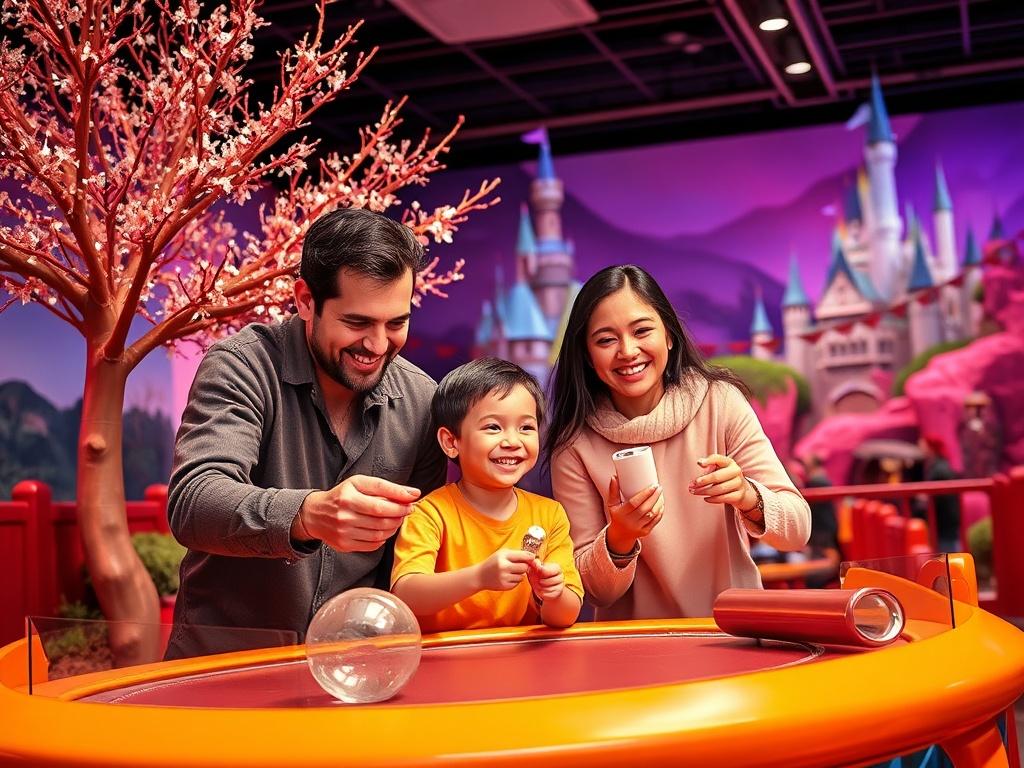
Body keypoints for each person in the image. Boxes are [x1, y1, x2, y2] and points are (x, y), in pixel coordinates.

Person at [166, 208, 447, 657]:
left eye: (396, 323)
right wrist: (309, 514)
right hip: (228, 665)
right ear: (305, 300)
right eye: (357, 323)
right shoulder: (242, 365)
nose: (378, 345)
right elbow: (193, 502)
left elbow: (415, 554)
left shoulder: (421, 400)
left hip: (354, 668)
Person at [545, 264, 810, 621]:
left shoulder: (720, 402)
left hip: (731, 632)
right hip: (636, 645)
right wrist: (619, 538)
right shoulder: (574, 445)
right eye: (606, 340)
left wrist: (748, 496)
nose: (628, 351)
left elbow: (798, 531)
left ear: (669, 335)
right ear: (588, 357)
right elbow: (594, 592)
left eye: (642, 331)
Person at [391, 357, 583, 631]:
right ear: (451, 441)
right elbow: (406, 596)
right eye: (493, 427)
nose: (512, 441)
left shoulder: (550, 514)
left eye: (526, 427)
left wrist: (551, 593)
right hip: (445, 652)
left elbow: (565, 616)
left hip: (518, 653)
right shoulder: (429, 513)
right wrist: (480, 577)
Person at [918, 434, 962, 553]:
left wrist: (925, 498)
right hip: (945, 522)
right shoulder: (938, 466)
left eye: (923, 445)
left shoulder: (939, 469)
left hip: (945, 522)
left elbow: (938, 496)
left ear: (931, 447)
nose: (920, 448)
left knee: (948, 554)